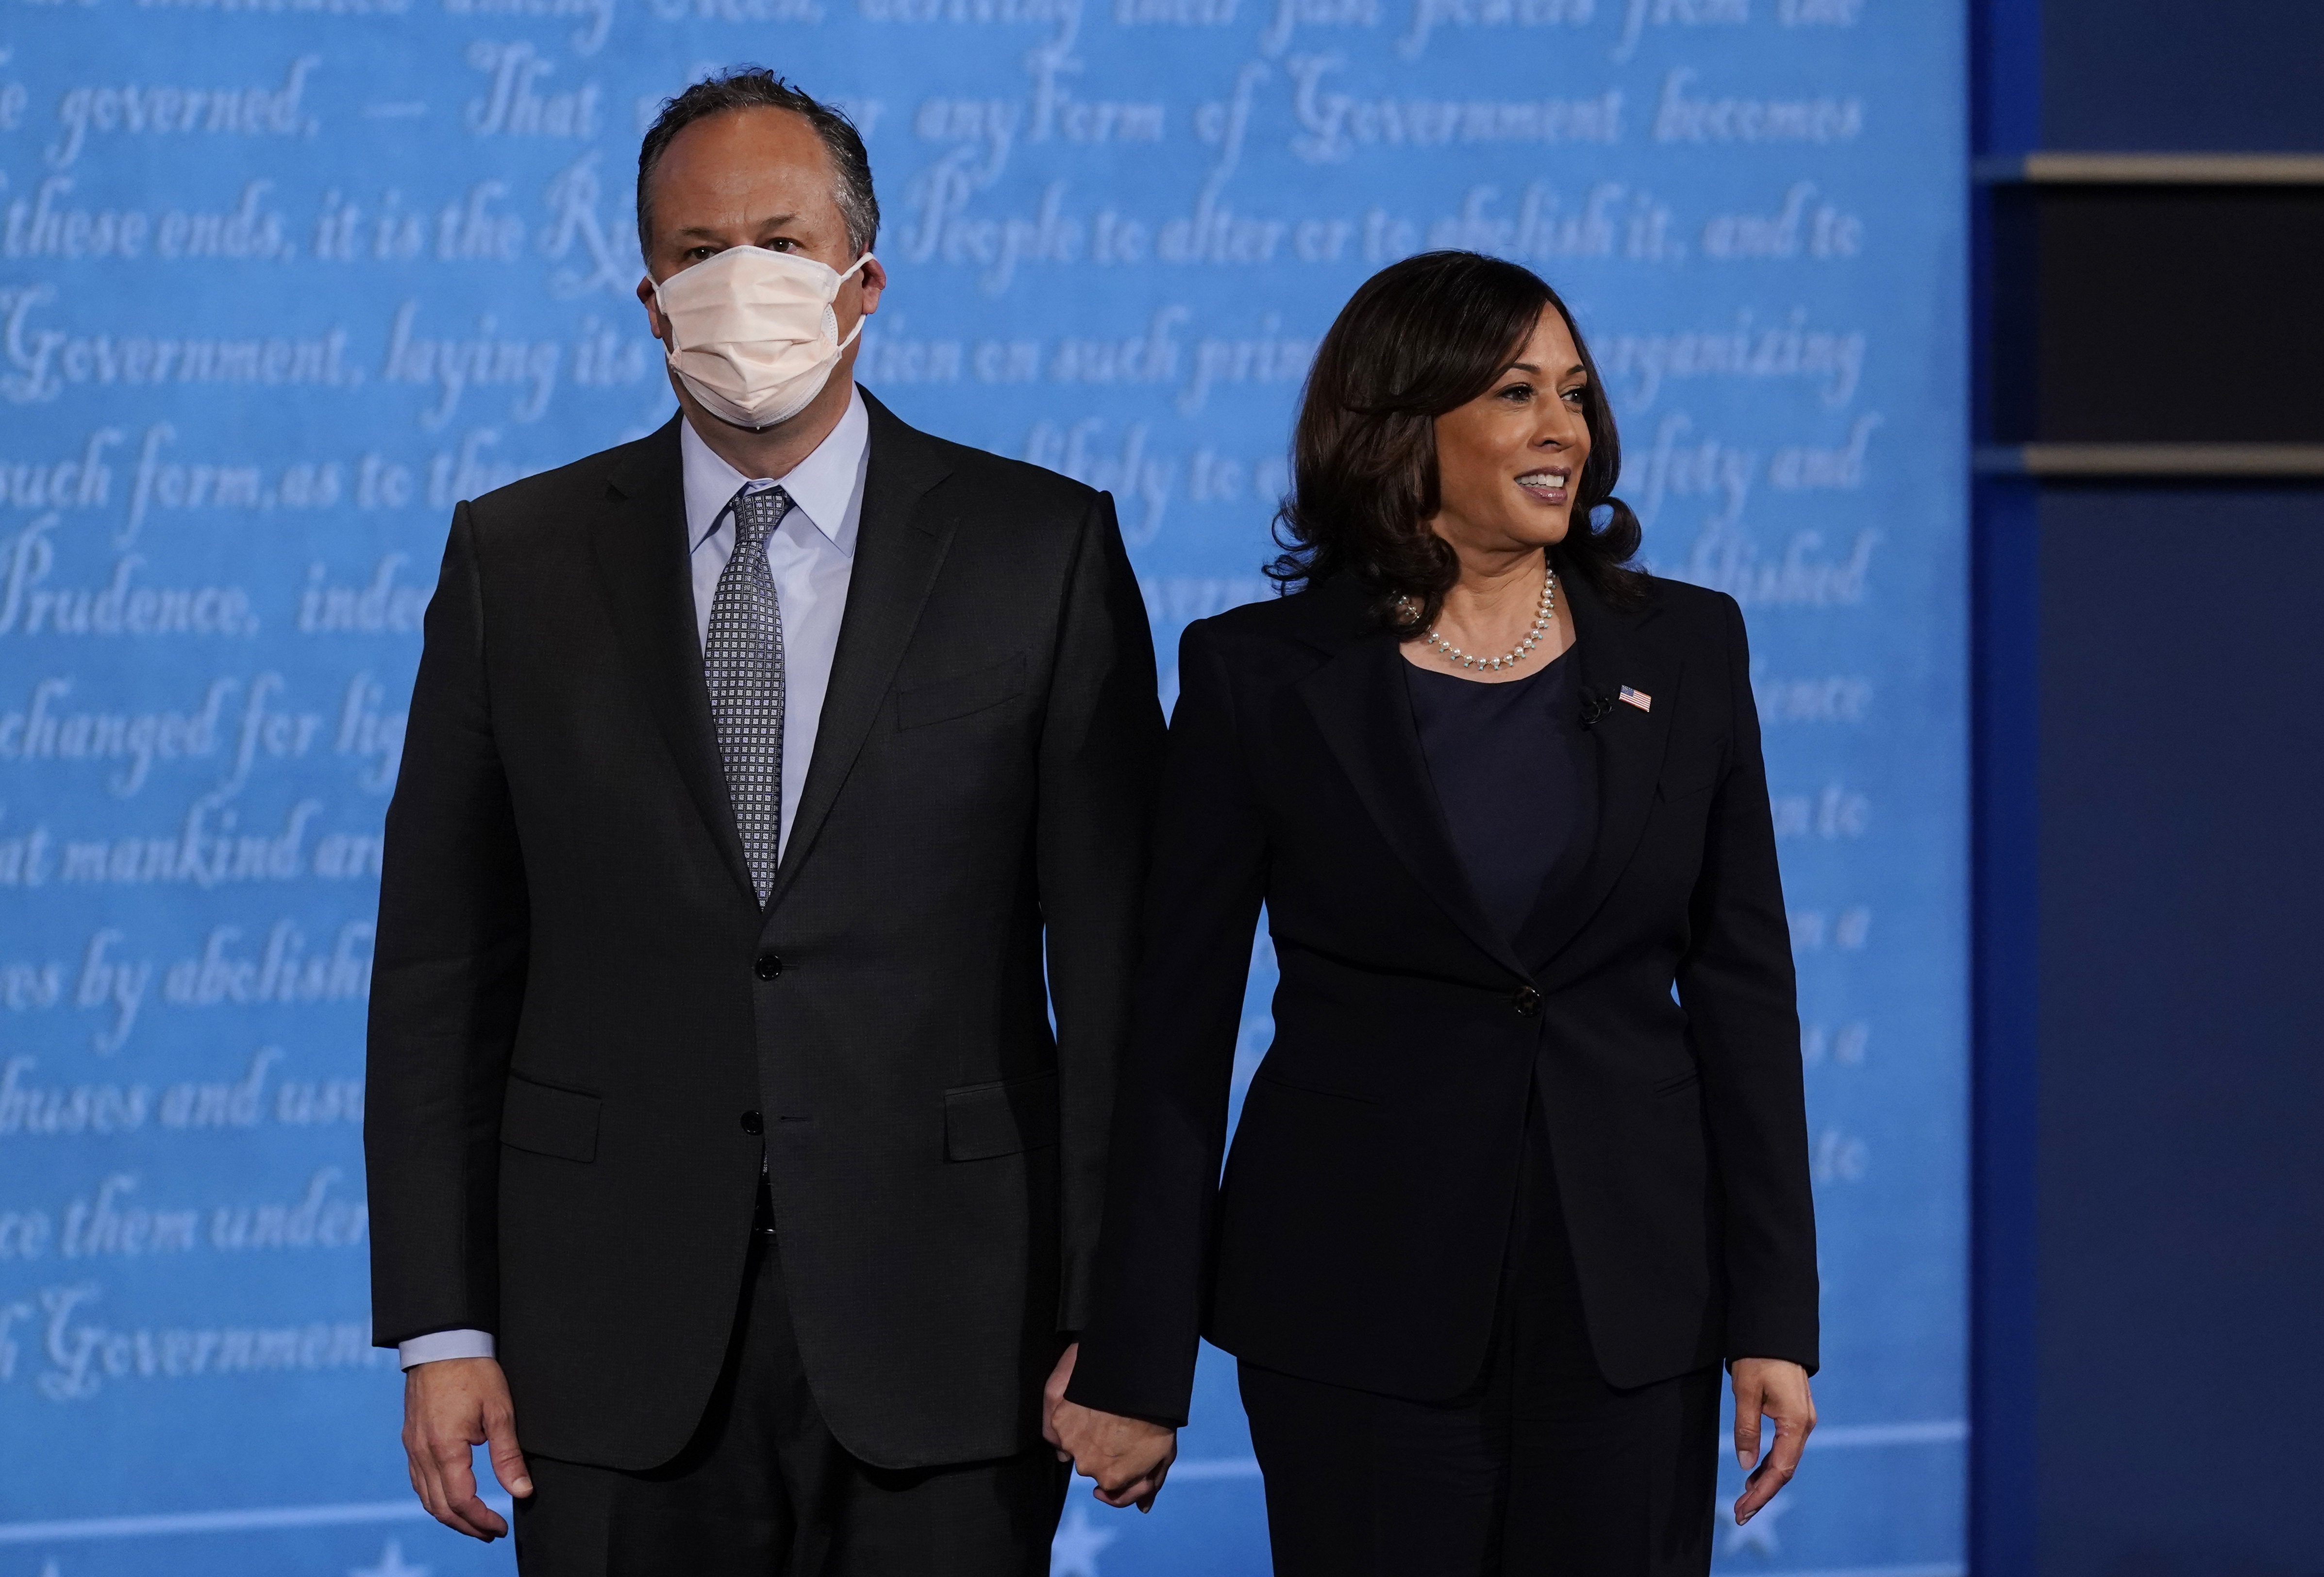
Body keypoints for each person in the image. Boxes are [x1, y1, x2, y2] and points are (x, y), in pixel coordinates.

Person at [365, 69, 1164, 1576]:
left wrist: (1120, 1320)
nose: (744, 284)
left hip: (957, 1335)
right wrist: (442, 1326)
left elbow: (1122, 978)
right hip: (600, 1345)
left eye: (783, 245)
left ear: (866, 281)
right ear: (650, 301)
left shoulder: (1040, 553)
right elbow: (438, 974)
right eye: (699, 251)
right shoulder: (514, 562)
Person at [1052, 250, 1820, 1574]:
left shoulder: (1688, 650)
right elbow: (1174, 1043)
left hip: (1630, 1311)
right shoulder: (1259, 678)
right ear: (1405, 425)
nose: (1563, 430)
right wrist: (1136, 1359)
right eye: (1517, 393)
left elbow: (1744, 996)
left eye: (1575, 394)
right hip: (1355, 1310)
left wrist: (1775, 1318)